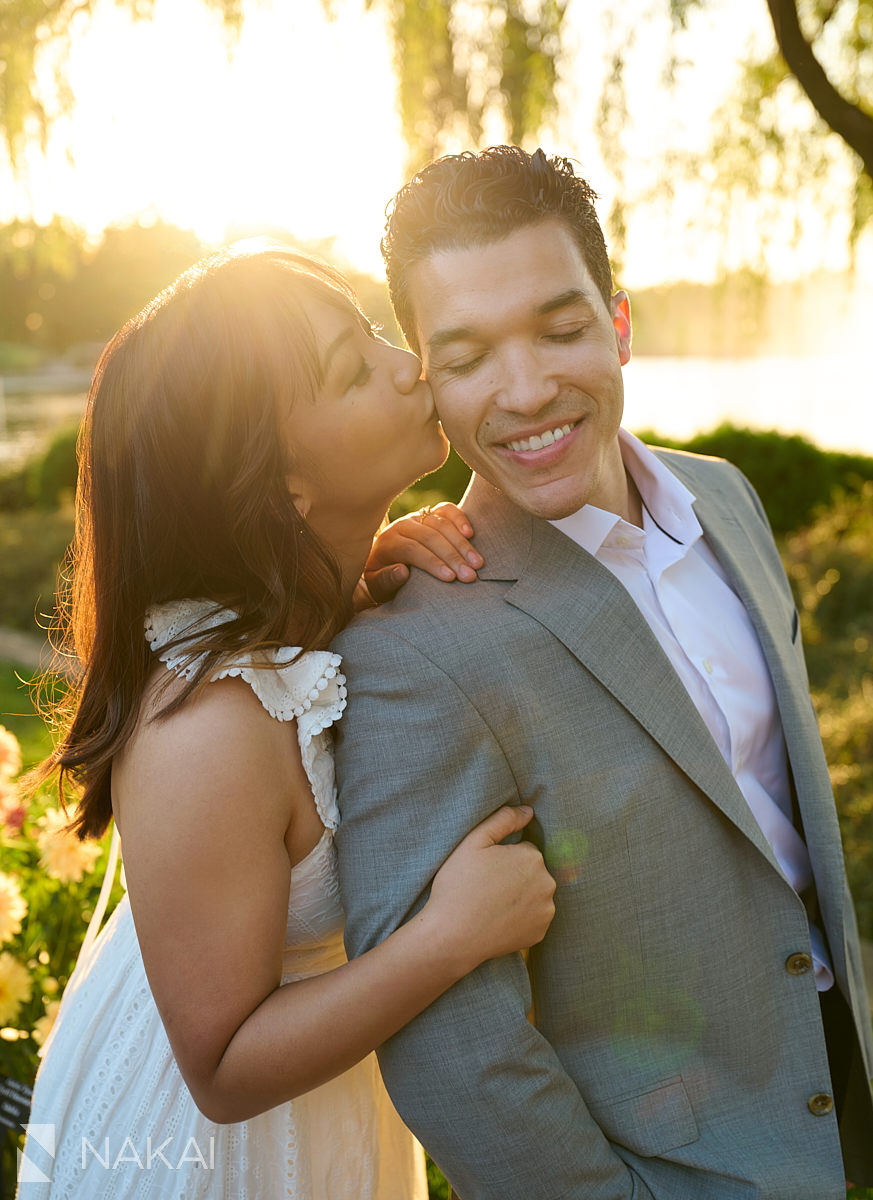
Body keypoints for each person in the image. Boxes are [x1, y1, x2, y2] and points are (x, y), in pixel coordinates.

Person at [333, 146, 873, 1199]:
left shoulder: (728, 501)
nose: (526, 389)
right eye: (470, 356)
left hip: (837, 1104)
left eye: (562, 329)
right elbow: (452, 1044)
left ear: (618, 323)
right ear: (428, 378)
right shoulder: (411, 647)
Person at [18, 244, 556, 1200]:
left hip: (331, 1105)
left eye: (374, 335)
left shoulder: (312, 619)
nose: (409, 364)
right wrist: (451, 937)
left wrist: (368, 568)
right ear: (279, 487)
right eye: (356, 372)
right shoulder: (211, 726)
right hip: (210, 1155)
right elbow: (220, 1069)